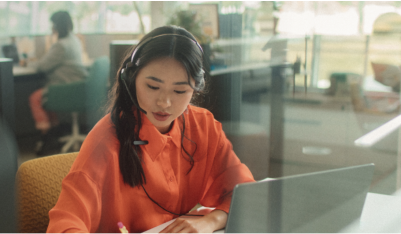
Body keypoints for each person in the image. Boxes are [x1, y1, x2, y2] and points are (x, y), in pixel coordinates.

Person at [46, 25, 255, 234]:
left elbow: (246, 193)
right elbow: (64, 225)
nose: (164, 102)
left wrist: (209, 222)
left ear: (195, 89)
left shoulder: (203, 126)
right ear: (131, 79)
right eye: (153, 87)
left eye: (179, 90)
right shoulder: (105, 141)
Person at [29, 11, 88, 155]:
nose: (51, 29)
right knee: (46, 94)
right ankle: (55, 131)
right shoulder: (74, 40)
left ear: (57, 26)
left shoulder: (60, 45)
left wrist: (29, 62)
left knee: (36, 98)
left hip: (66, 88)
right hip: (78, 87)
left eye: (53, 25)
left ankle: (46, 135)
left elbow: (42, 66)